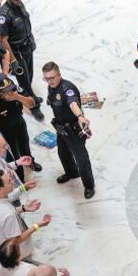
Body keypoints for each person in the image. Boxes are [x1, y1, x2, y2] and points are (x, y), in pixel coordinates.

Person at [43, 62, 95, 199]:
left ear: (59, 75)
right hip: (61, 128)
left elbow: (72, 102)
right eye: (46, 78)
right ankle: (72, 173)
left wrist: (80, 116)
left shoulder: (67, 88)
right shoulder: (51, 87)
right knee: (63, 153)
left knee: (81, 159)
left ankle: (89, 186)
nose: (50, 81)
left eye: (52, 77)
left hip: (73, 129)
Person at [0, 0, 44, 121]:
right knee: (24, 81)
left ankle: (30, 95)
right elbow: (3, 39)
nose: (18, 0)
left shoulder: (19, 5)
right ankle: (34, 106)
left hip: (27, 46)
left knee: (30, 74)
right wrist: (12, 60)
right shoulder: (3, 15)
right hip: (17, 51)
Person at [0, 169, 50, 262]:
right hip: (18, 253)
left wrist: (23, 208)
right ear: (0, 189)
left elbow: (6, 208)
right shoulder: (8, 215)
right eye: (9, 181)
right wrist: (37, 225)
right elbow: (15, 241)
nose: (12, 181)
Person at [0, 73, 39, 174]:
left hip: (19, 123)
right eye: (5, 91)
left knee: (25, 145)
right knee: (14, 154)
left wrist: (17, 97)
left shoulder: (13, 88)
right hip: (6, 132)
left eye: (9, 88)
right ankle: (19, 174)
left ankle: (30, 163)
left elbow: (32, 104)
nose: (9, 92)